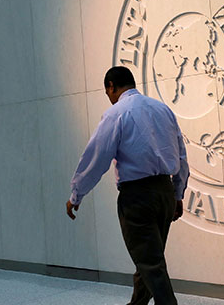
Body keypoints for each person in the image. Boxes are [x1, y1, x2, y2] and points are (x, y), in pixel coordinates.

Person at [66, 66, 189, 305]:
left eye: (107, 92)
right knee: (150, 257)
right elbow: (181, 155)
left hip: (137, 197)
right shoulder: (163, 109)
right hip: (164, 192)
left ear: (111, 86)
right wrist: (177, 193)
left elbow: (96, 158)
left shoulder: (117, 113)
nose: (109, 98)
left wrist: (76, 194)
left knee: (150, 263)